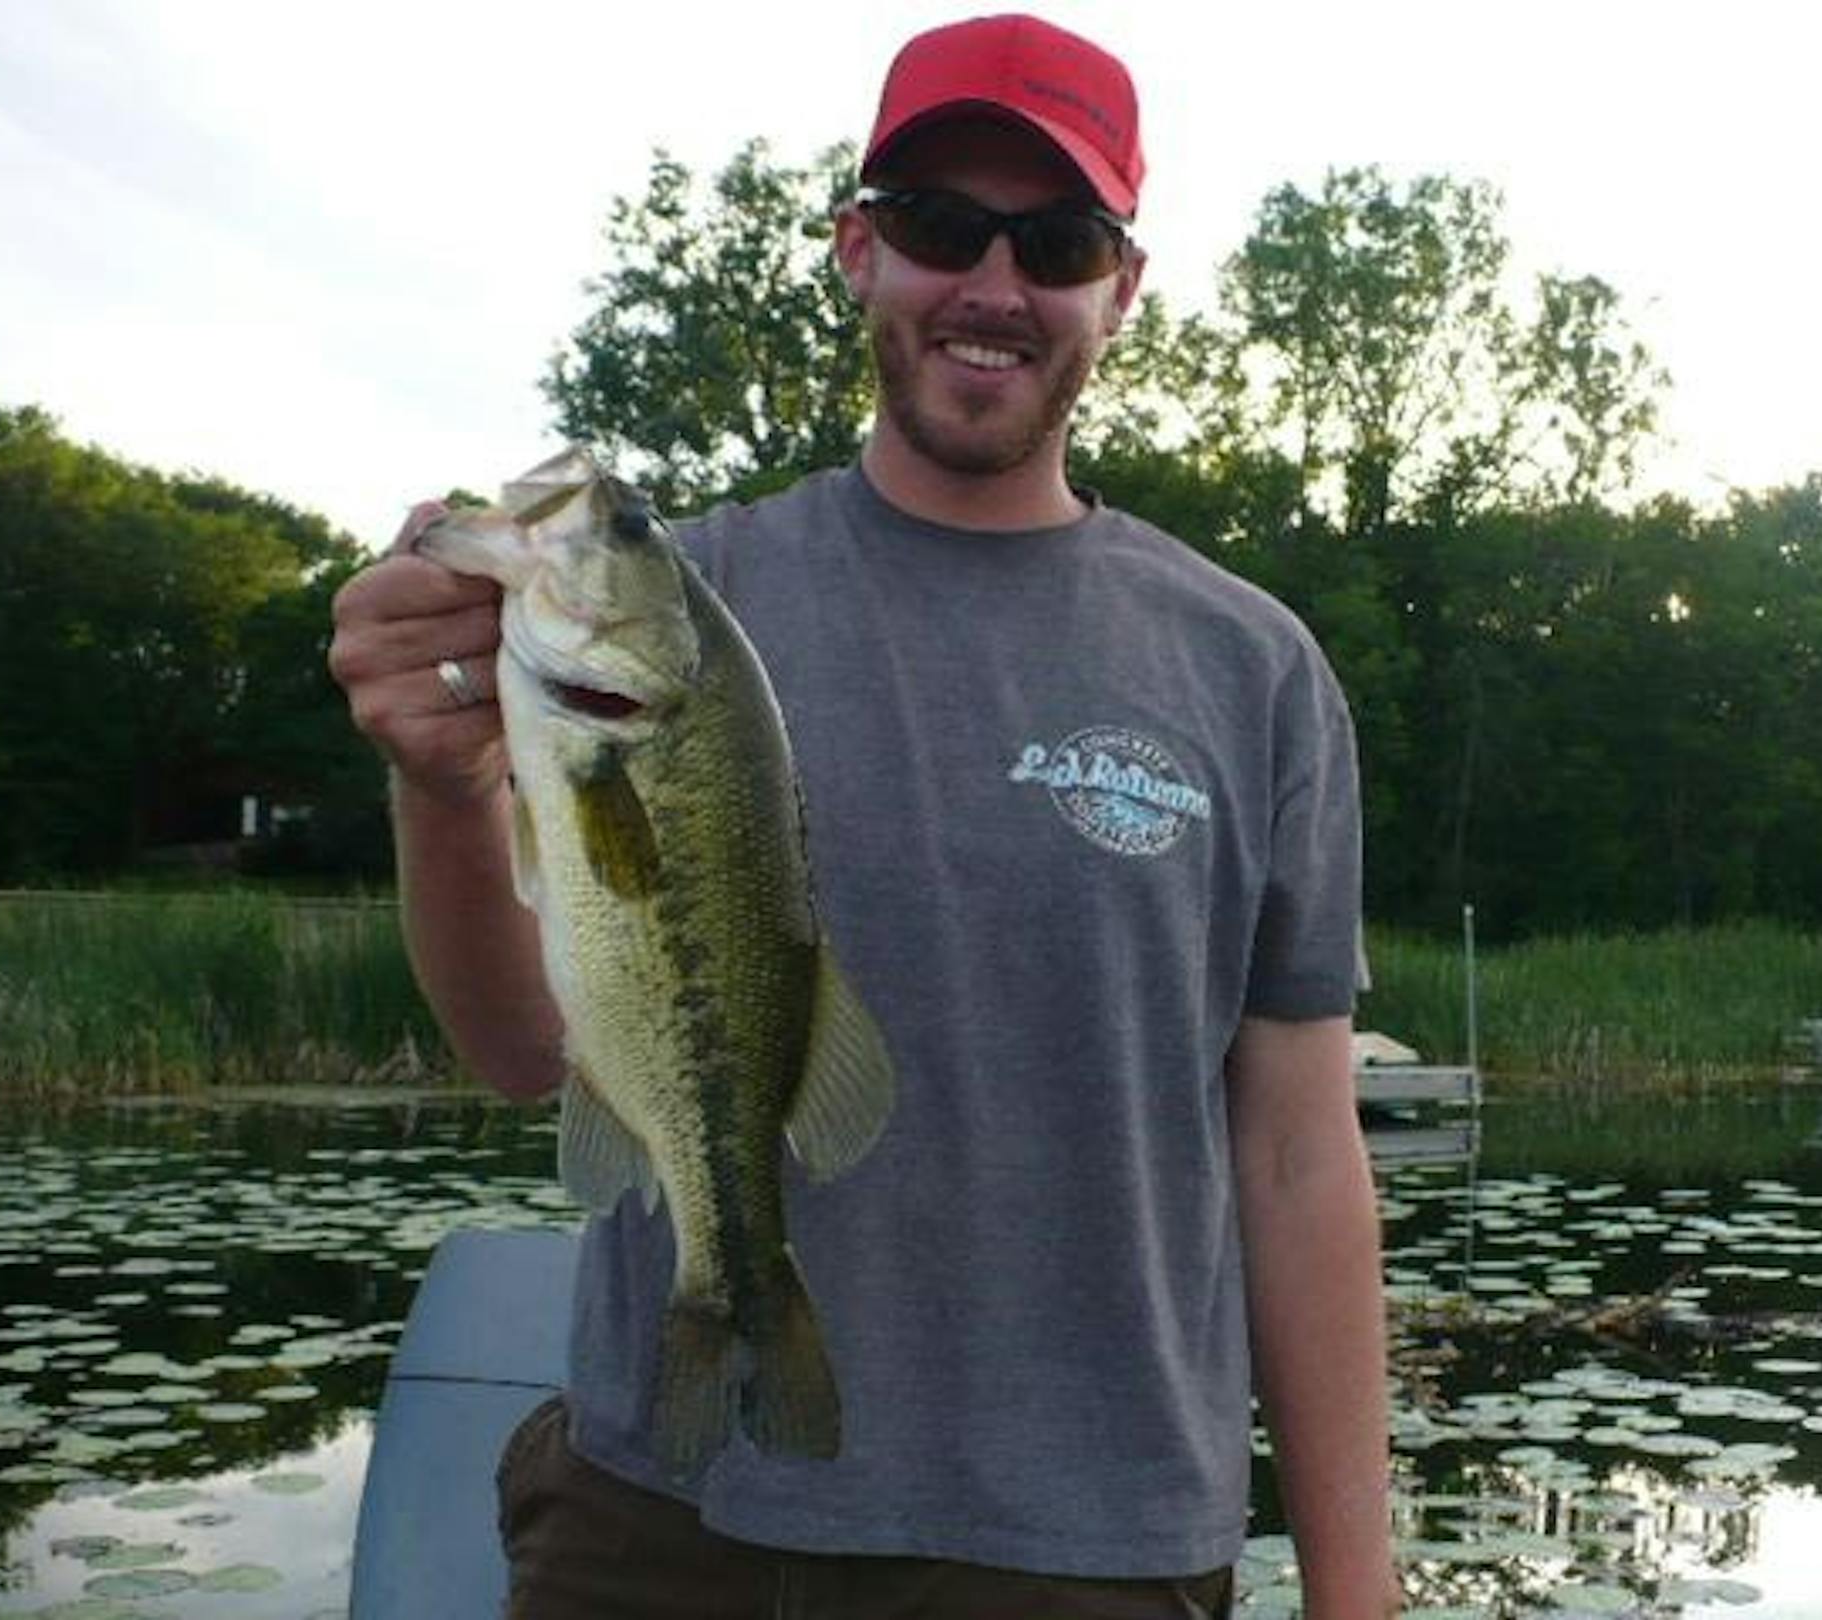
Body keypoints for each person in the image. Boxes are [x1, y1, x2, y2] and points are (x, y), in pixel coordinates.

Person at [329, 13, 1398, 1618]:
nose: (992, 282)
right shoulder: (683, 612)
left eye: (1054, 240)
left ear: (1120, 288)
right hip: (657, 1529)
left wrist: (1357, 1590)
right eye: (936, 226)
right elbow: (519, 1052)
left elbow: (1302, 1155)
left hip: (1088, 1553)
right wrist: (437, 783)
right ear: (856, 253)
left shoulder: (1253, 669)